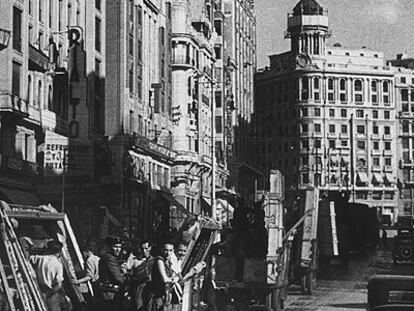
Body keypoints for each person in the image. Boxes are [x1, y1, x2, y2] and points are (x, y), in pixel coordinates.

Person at [30, 239, 70, 311]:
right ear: (59, 252)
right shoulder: (58, 264)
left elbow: (27, 258)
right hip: (50, 293)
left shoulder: (39, 258)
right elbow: (59, 285)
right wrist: (47, 295)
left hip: (36, 290)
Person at [98, 237, 129, 311]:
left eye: (120, 247)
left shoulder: (111, 258)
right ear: (109, 247)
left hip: (109, 293)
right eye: (115, 247)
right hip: (110, 294)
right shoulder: (110, 258)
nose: (118, 249)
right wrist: (129, 278)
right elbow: (118, 278)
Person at [71, 242, 100, 309]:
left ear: (88, 251)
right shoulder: (97, 258)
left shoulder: (89, 260)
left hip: (95, 285)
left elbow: (90, 276)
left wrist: (78, 281)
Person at [149, 242, 176, 311]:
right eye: (166, 250)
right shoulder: (159, 260)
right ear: (162, 250)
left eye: (170, 250)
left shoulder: (169, 261)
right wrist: (174, 280)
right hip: (158, 295)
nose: (168, 253)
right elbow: (164, 279)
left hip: (166, 294)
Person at [133, 241, 154, 311]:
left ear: (150, 248)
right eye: (142, 249)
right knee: (138, 306)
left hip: (151, 288)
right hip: (139, 287)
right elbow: (126, 268)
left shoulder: (154, 261)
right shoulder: (135, 260)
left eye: (146, 248)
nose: (144, 251)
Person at [170, 243, 187, 311]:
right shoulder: (172, 258)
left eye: (184, 251)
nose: (182, 253)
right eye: (180, 250)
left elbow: (179, 274)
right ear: (175, 250)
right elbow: (177, 274)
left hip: (175, 285)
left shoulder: (179, 259)